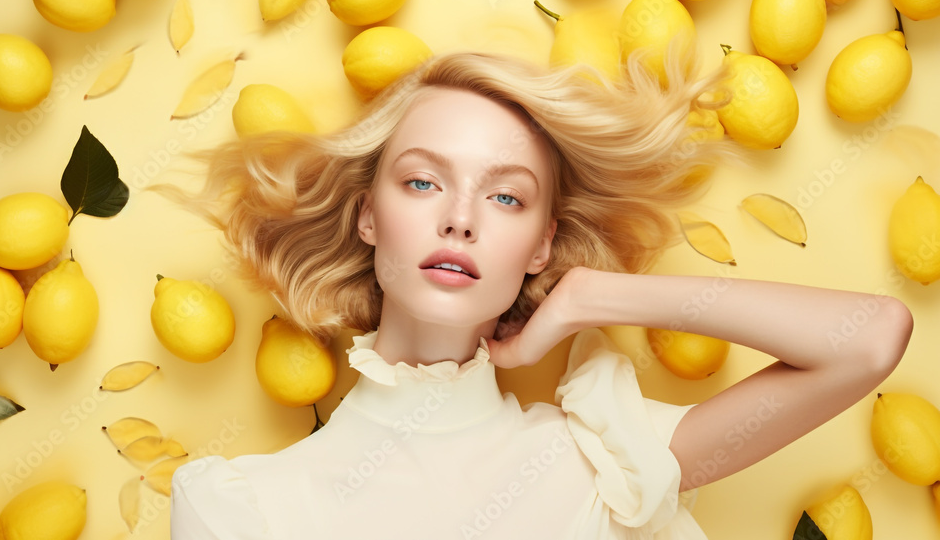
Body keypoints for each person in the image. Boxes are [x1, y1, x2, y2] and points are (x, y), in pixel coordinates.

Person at [153, 42, 914, 539]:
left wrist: (595, 296)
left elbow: (872, 337)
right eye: (422, 181)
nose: (459, 219)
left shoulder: (605, 465)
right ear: (368, 214)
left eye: (507, 198)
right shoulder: (238, 509)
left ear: (542, 245)